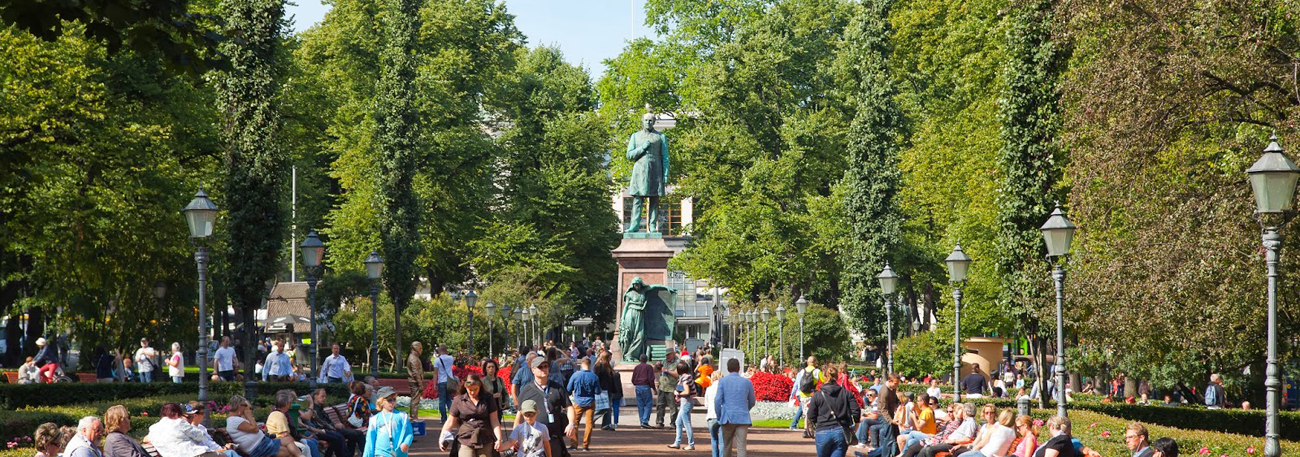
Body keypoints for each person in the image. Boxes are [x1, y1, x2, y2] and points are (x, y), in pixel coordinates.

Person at [514, 354, 576, 457]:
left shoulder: (557, 388)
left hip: (554, 437)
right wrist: (515, 437)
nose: (543, 369)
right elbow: (519, 416)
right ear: (533, 369)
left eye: (545, 366)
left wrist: (571, 424)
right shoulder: (526, 391)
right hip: (533, 439)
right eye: (540, 367)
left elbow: (569, 407)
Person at [439, 374, 505, 457]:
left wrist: (499, 439)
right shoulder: (459, 400)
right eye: (470, 390)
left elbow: (494, 420)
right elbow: (450, 422)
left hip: (485, 436)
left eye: (475, 389)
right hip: (465, 437)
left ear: (480, 386)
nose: (473, 392)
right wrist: (442, 437)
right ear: (465, 387)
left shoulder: (488, 398)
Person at [808, 364, 860, 457]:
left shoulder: (818, 395)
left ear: (824, 377)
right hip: (841, 430)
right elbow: (856, 411)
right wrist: (856, 425)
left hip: (823, 430)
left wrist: (815, 424)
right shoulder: (846, 393)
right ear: (837, 376)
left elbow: (811, 415)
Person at [226, 395, 299, 457]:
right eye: (245, 406)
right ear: (239, 406)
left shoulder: (235, 419)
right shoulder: (234, 420)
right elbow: (255, 429)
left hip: (263, 443)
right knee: (289, 452)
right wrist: (249, 416)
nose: (246, 408)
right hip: (259, 448)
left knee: (289, 440)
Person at [716, 357, 756, 457]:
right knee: (742, 446)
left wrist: (719, 415)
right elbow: (752, 401)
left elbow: (717, 400)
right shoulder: (747, 382)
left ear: (728, 368)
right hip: (742, 417)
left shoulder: (722, 381)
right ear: (739, 368)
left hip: (727, 417)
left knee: (726, 446)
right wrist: (745, 409)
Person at [308, 388, 364, 457]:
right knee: (340, 436)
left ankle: (359, 454)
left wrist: (335, 425)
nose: (324, 398)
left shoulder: (320, 408)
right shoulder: (314, 409)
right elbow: (322, 424)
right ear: (315, 396)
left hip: (331, 429)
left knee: (357, 434)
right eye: (322, 396)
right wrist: (334, 425)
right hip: (324, 431)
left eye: (325, 396)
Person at [267, 390, 322, 457]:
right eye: (290, 403)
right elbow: (284, 434)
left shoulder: (280, 413)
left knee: (309, 445)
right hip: (281, 441)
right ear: (287, 404)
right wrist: (296, 441)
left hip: (284, 440)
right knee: (305, 447)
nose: (291, 405)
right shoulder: (279, 415)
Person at [363, 387, 413, 457]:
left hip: (399, 453)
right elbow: (370, 440)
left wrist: (406, 443)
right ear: (381, 401)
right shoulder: (375, 419)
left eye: (394, 399)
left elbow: (409, 433)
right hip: (381, 453)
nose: (392, 402)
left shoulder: (402, 416)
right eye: (389, 400)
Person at [565, 357, 600, 451]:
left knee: (574, 423)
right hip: (590, 402)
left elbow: (568, 389)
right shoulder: (594, 376)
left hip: (578, 401)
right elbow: (598, 391)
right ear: (590, 365)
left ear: (582, 365)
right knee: (589, 424)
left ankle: (574, 444)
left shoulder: (575, 375)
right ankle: (585, 445)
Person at [791, 356, 826, 437]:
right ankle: (808, 429)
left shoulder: (802, 371)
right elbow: (824, 381)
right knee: (811, 412)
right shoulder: (817, 371)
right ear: (815, 363)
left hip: (803, 394)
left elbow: (798, 383)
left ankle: (807, 429)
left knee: (807, 412)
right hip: (812, 394)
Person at [668, 361, 699, 450]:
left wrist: (678, 393)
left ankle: (691, 444)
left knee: (686, 423)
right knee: (678, 422)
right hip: (685, 402)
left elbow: (687, 391)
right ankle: (677, 442)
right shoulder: (686, 377)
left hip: (686, 402)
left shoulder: (685, 378)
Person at [594, 354, 622, 431]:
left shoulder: (607, 366)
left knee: (608, 408)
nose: (611, 358)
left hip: (609, 389)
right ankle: (592, 419)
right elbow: (596, 378)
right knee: (605, 408)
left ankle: (606, 424)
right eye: (609, 357)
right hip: (603, 389)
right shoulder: (599, 366)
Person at [631, 354, 656, 429]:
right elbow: (651, 379)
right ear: (647, 359)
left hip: (638, 386)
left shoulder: (637, 367)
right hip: (645, 386)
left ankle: (642, 420)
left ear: (639, 360)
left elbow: (633, 379)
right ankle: (645, 421)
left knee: (640, 404)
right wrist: (654, 388)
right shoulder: (649, 367)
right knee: (648, 404)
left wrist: (636, 384)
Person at [433, 345, 457, 422]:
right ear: (446, 350)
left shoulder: (437, 360)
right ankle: (452, 418)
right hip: (450, 381)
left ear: (439, 351)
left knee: (442, 401)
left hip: (442, 381)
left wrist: (434, 383)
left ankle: (443, 418)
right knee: (449, 400)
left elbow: (435, 373)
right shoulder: (451, 358)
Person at [654, 362, 678, 429]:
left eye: (669, 355)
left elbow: (677, 374)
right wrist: (656, 365)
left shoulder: (677, 362)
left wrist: (667, 371)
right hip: (662, 387)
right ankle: (659, 422)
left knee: (673, 406)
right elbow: (655, 370)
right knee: (660, 405)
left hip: (671, 387)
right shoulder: (663, 361)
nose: (667, 356)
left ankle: (673, 423)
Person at [704, 372, 723, 457]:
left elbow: (706, 404)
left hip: (711, 416)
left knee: (714, 439)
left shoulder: (709, 389)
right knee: (722, 441)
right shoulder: (723, 388)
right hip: (722, 416)